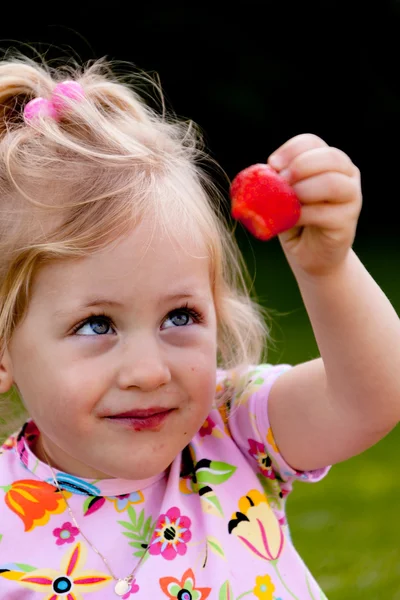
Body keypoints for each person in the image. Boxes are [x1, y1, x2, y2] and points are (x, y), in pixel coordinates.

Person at [0, 53, 399, 600]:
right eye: (96, 325)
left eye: (179, 316)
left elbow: (372, 397)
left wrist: (327, 270)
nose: (147, 371)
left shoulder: (231, 427)